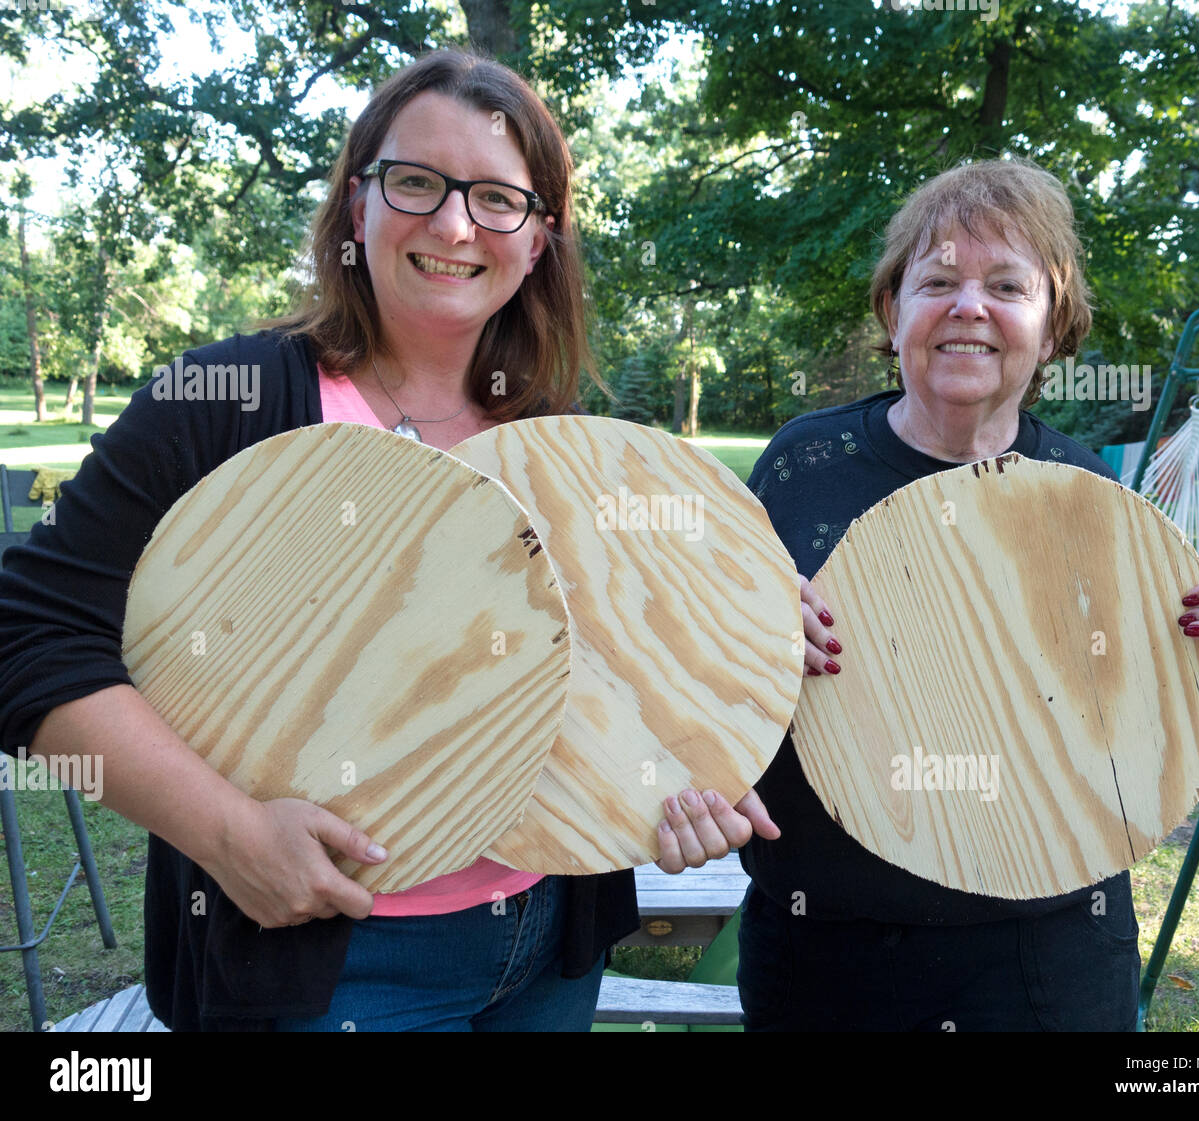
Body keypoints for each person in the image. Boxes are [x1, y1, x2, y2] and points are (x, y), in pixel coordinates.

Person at [0, 48, 762, 1032]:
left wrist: (695, 733)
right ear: (356, 204)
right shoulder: (227, 402)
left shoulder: (564, 438)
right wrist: (229, 833)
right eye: (415, 182)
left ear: (539, 240)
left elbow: (618, 663)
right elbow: (30, 635)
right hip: (327, 957)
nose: (452, 223)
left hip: (548, 938)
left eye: (496, 198)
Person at [736, 157, 1199, 1031]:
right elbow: (707, 687)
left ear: (1053, 329)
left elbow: (1134, 728)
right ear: (893, 310)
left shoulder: (1089, 495)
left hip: (1047, 962)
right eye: (936, 280)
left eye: (1007, 285)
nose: (967, 306)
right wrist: (737, 631)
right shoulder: (800, 467)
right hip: (826, 957)